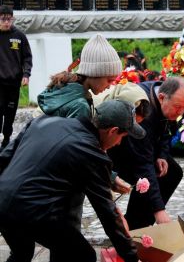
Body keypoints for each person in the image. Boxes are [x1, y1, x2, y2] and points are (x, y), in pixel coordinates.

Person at [0, 100, 145, 262]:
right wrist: (132, 257)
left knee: (21, 253)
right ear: (113, 131)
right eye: (122, 137)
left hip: (2, 201)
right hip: (33, 212)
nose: (119, 143)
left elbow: (4, 157)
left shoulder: (44, 121)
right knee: (83, 255)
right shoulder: (92, 153)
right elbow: (107, 214)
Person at [108, 76, 184, 230]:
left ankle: (138, 225)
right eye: (178, 107)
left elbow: (167, 130)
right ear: (161, 98)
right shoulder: (143, 110)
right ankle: (134, 228)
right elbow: (142, 164)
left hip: (146, 149)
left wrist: (162, 154)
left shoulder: (168, 101)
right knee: (146, 179)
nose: (180, 113)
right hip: (119, 152)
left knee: (172, 172)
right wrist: (159, 210)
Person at [37, 33, 122, 119]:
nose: (108, 87)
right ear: (94, 73)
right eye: (109, 80)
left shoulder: (63, 91)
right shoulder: (80, 106)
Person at [0, 5, 32, 150]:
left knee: (10, 113)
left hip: (13, 83)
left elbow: (27, 57)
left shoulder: (19, 36)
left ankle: (6, 140)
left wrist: (26, 74)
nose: (7, 22)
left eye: (9, 19)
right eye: (3, 19)